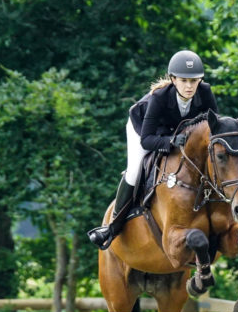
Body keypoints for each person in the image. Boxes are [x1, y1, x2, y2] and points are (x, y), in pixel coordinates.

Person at [87, 50, 219, 250]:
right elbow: (147, 140)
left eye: (194, 81)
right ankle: (113, 226)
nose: (190, 86)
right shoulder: (158, 98)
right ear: (173, 79)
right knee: (135, 170)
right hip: (143, 130)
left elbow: (214, 128)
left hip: (177, 132)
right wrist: (171, 141)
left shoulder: (206, 92)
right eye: (184, 80)